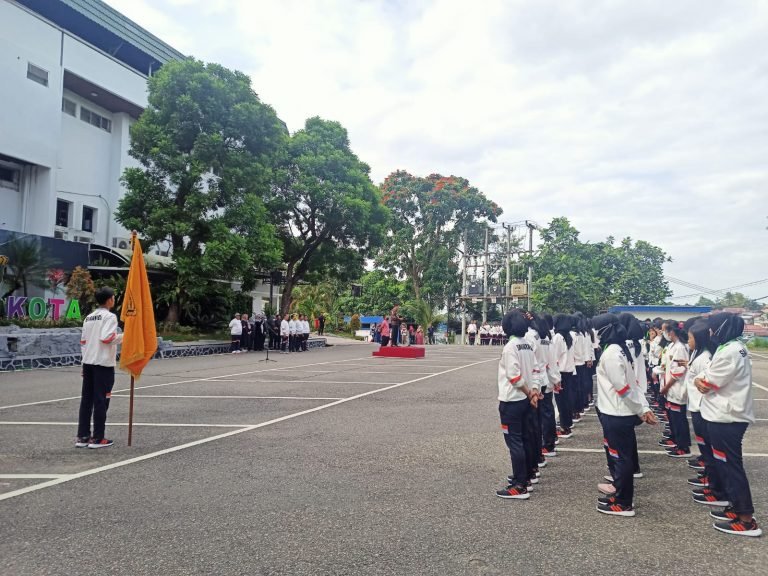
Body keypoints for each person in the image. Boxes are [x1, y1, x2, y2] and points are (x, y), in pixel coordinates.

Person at [693, 313, 761, 537]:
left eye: (712, 329)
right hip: (724, 416)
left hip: (726, 417)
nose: (710, 333)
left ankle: (746, 519)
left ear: (721, 329)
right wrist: (701, 378)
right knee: (726, 466)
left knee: (730, 467)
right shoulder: (732, 347)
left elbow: (705, 384)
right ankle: (736, 507)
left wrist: (697, 379)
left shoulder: (730, 352)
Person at [592, 313, 657, 517]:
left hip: (616, 413)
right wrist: (643, 408)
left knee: (620, 458)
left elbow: (624, 388)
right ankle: (620, 494)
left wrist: (640, 410)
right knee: (623, 457)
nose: (593, 333)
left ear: (604, 331)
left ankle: (623, 502)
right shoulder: (619, 350)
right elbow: (633, 384)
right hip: (619, 411)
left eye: (596, 329)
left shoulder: (612, 353)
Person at [496, 309, 540, 500]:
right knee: (525, 438)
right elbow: (537, 370)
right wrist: (535, 391)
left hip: (513, 400)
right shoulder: (528, 345)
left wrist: (529, 392)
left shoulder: (511, 347)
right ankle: (527, 476)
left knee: (515, 442)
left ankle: (519, 485)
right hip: (526, 400)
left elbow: (514, 377)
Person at [76, 286, 123, 449]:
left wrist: (83, 363)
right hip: (103, 364)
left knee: (86, 400)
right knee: (101, 400)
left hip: (88, 362)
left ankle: (82, 437)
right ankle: (98, 438)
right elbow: (107, 338)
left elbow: (83, 342)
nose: (114, 299)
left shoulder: (89, 317)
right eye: (114, 297)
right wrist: (125, 337)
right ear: (109, 299)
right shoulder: (109, 317)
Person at [683, 320, 714, 487]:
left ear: (700, 339)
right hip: (695, 405)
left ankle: (711, 478)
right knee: (703, 444)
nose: (688, 341)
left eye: (690, 338)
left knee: (707, 446)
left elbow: (704, 381)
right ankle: (708, 474)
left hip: (702, 407)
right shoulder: (697, 354)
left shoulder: (705, 357)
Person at [660, 321, 692, 458]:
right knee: (672, 417)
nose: (663, 334)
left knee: (679, 419)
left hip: (676, 388)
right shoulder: (672, 346)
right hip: (670, 388)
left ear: (671, 332)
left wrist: (666, 387)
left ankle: (683, 447)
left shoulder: (680, 347)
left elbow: (678, 371)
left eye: (664, 331)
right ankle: (675, 439)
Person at [551, 313, 575, 439]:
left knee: (561, 402)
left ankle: (564, 427)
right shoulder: (569, 336)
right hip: (569, 371)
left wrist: (555, 377)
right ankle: (567, 425)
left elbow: (554, 358)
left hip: (561, 373)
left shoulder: (558, 337)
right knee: (566, 400)